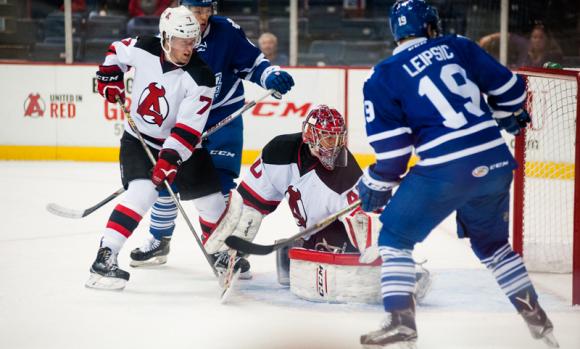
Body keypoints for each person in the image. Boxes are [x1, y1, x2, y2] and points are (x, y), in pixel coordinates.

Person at [356, 1, 558, 348]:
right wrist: (504, 115)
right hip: (495, 163)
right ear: (431, 26)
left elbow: (393, 155)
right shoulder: (458, 45)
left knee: (394, 238)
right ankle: (537, 319)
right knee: (494, 247)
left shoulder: (383, 75)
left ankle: (400, 321)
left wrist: (376, 183)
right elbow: (512, 93)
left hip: (445, 169)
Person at [201, 105, 431, 302]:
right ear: (310, 135)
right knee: (248, 213)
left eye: (339, 138)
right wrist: (233, 245)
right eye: (329, 138)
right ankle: (231, 255)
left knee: (347, 256)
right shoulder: (278, 151)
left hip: (335, 234)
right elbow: (250, 201)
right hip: (309, 228)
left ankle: (395, 271)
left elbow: (366, 220)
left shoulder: (346, 174)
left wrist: (380, 254)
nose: (335, 145)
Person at [130, 0, 295, 273]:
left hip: (221, 118)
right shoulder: (170, 34)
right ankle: (159, 240)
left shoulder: (226, 31)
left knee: (217, 187)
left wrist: (271, 76)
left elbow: (254, 65)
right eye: (197, 11)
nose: (203, 16)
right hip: (181, 122)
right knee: (166, 180)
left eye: (207, 10)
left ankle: (221, 249)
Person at [87, 5, 226, 290]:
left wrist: (170, 160)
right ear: (166, 37)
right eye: (183, 40)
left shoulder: (201, 76)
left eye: (193, 40)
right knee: (141, 194)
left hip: (183, 149)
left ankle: (222, 255)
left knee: (212, 202)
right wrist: (109, 76)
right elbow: (116, 50)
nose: (190, 46)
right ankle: (105, 257)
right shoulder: (144, 47)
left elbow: (187, 129)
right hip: (139, 141)